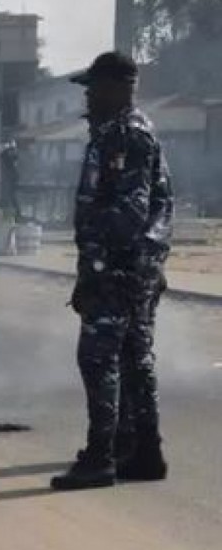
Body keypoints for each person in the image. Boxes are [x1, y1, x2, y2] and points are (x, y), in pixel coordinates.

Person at [52, 52, 174, 491]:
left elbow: (128, 211)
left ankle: (101, 456)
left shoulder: (123, 135)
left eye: (94, 87)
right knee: (134, 357)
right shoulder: (130, 131)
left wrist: (98, 270)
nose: (88, 96)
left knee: (98, 357)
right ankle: (144, 451)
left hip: (119, 268)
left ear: (119, 88)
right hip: (137, 266)